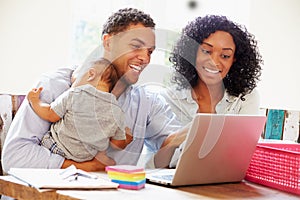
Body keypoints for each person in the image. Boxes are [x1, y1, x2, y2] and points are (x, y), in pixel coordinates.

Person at [2, 7, 184, 172]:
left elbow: (172, 147)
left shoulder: (147, 102)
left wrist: (194, 135)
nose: (145, 58)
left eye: (150, 51)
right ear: (108, 42)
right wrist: (82, 167)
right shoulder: (54, 86)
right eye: (136, 46)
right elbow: (15, 157)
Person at [161, 15, 263, 167]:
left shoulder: (245, 97)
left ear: (234, 59)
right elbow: (164, 161)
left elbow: (246, 153)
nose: (214, 62)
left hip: (228, 183)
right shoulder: (170, 99)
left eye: (225, 56)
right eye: (206, 51)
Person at [27, 58, 133, 164]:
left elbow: (50, 114)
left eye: (76, 78)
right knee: (102, 149)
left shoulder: (76, 94)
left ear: (91, 74)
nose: (72, 83)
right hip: (86, 158)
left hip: (58, 148)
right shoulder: (117, 112)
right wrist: (127, 138)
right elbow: (117, 144)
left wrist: (35, 101)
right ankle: (100, 162)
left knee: (41, 142)